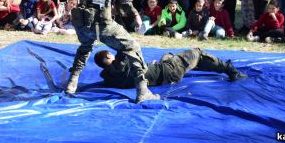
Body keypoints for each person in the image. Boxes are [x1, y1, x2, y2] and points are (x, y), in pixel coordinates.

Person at [66, 0, 160, 103]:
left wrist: (134, 14)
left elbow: (114, 2)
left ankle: (72, 83)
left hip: (82, 20)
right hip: (100, 20)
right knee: (132, 46)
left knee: (85, 47)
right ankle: (143, 90)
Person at [94, 48, 247, 89]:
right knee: (197, 53)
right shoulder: (120, 63)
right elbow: (123, 46)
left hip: (163, 73)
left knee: (168, 55)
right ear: (108, 57)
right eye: (111, 54)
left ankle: (189, 63)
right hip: (170, 71)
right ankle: (231, 70)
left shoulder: (108, 78)